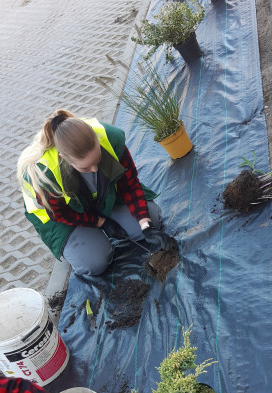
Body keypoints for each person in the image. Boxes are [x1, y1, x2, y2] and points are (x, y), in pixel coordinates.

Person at [17, 111, 174, 276]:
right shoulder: (44, 175)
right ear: (65, 158)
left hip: (96, 196)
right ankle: (86, 243)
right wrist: (101, 222)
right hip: (62, 218)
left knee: (152, 221)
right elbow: (62, 215)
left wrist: (145, 223)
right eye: (85, 168)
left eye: (98, 160)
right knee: (96, 262)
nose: (94, 169)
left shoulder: (108, 137)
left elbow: (130, 185)